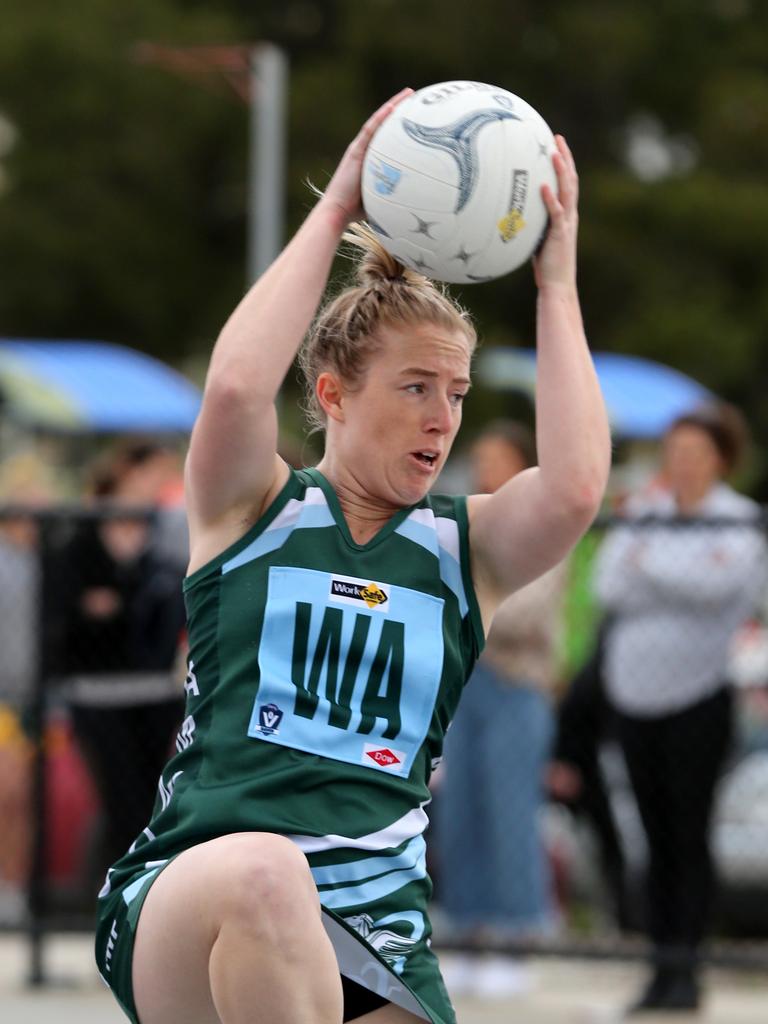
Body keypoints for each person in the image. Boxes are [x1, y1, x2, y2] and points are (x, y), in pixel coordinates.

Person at [94, 88, 610, 1024]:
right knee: (265, 871)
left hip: (375, 922)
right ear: (332, 394)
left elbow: (575, 486)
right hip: (199, 889)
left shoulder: (465, 551)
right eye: (416, 386)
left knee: (291, 892)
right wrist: (336, 205)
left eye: (454, 392)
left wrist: (557, 285)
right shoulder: (258, 509)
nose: (442, 416)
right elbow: (241, 383)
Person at [594, 403, 768, 1014]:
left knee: (688, 837)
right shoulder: (645, 513)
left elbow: (720, 590)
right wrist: (667, 568)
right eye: (675, 451)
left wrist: (652, 565)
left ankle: (688, 966)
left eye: (695, 453)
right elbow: (609, 584)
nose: (682, 464)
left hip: (696, 698)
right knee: (652, 838)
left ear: (719, 459)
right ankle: (658, 965)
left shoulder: (738, 520)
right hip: (634, 698)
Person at [434, 420, 566, 996]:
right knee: (462, 808)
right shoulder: (464, 516)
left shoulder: (547, 521)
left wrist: (472, 595)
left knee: (510, 809)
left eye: (496, 457)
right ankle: (468, 931)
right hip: (468, 681)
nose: (485, 469)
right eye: (480, 457)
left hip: (517, 683)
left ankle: (515, 936)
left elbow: (525, 611)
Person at [53, 441, 187, 880]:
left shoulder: (163, 532)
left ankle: (145, 888)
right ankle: (119, 889)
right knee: (118, 795)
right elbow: (73, 608)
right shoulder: (84, 532)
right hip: (98, 691)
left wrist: (114, 606)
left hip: (153, 689)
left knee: (152, 796)